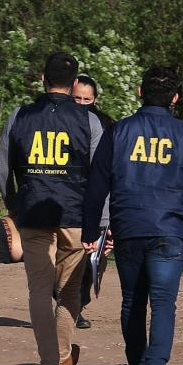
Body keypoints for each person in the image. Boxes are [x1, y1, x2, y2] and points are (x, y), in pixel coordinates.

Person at [82, 66, 183, 365]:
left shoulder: (118, 132)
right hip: (172, 229)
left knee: (133, 301)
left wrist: (89, 231)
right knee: (163, 303)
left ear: (140, 93)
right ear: (175, 98)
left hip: (129, 227)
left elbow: (96, 184)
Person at [0, 51, 96, 365]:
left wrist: (14, 204)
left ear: (43, 78)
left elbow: (4, 168)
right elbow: (100, 175)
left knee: (39, 288)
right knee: (69, 290)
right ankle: (62, 353)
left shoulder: (20, 116)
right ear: (74, 84)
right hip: (75, 213)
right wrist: (102, 219)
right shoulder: (89, 121)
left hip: (34, 209)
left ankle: (50, 360)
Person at [73, 74, 113, 329]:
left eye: (87, 99)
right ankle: (69, 305)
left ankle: (80, 302)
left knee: (95, 260)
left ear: (95, 99)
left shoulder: (106, 124)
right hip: (69, 200)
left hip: (99, 199)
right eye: (77, 98)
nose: (82, 103)